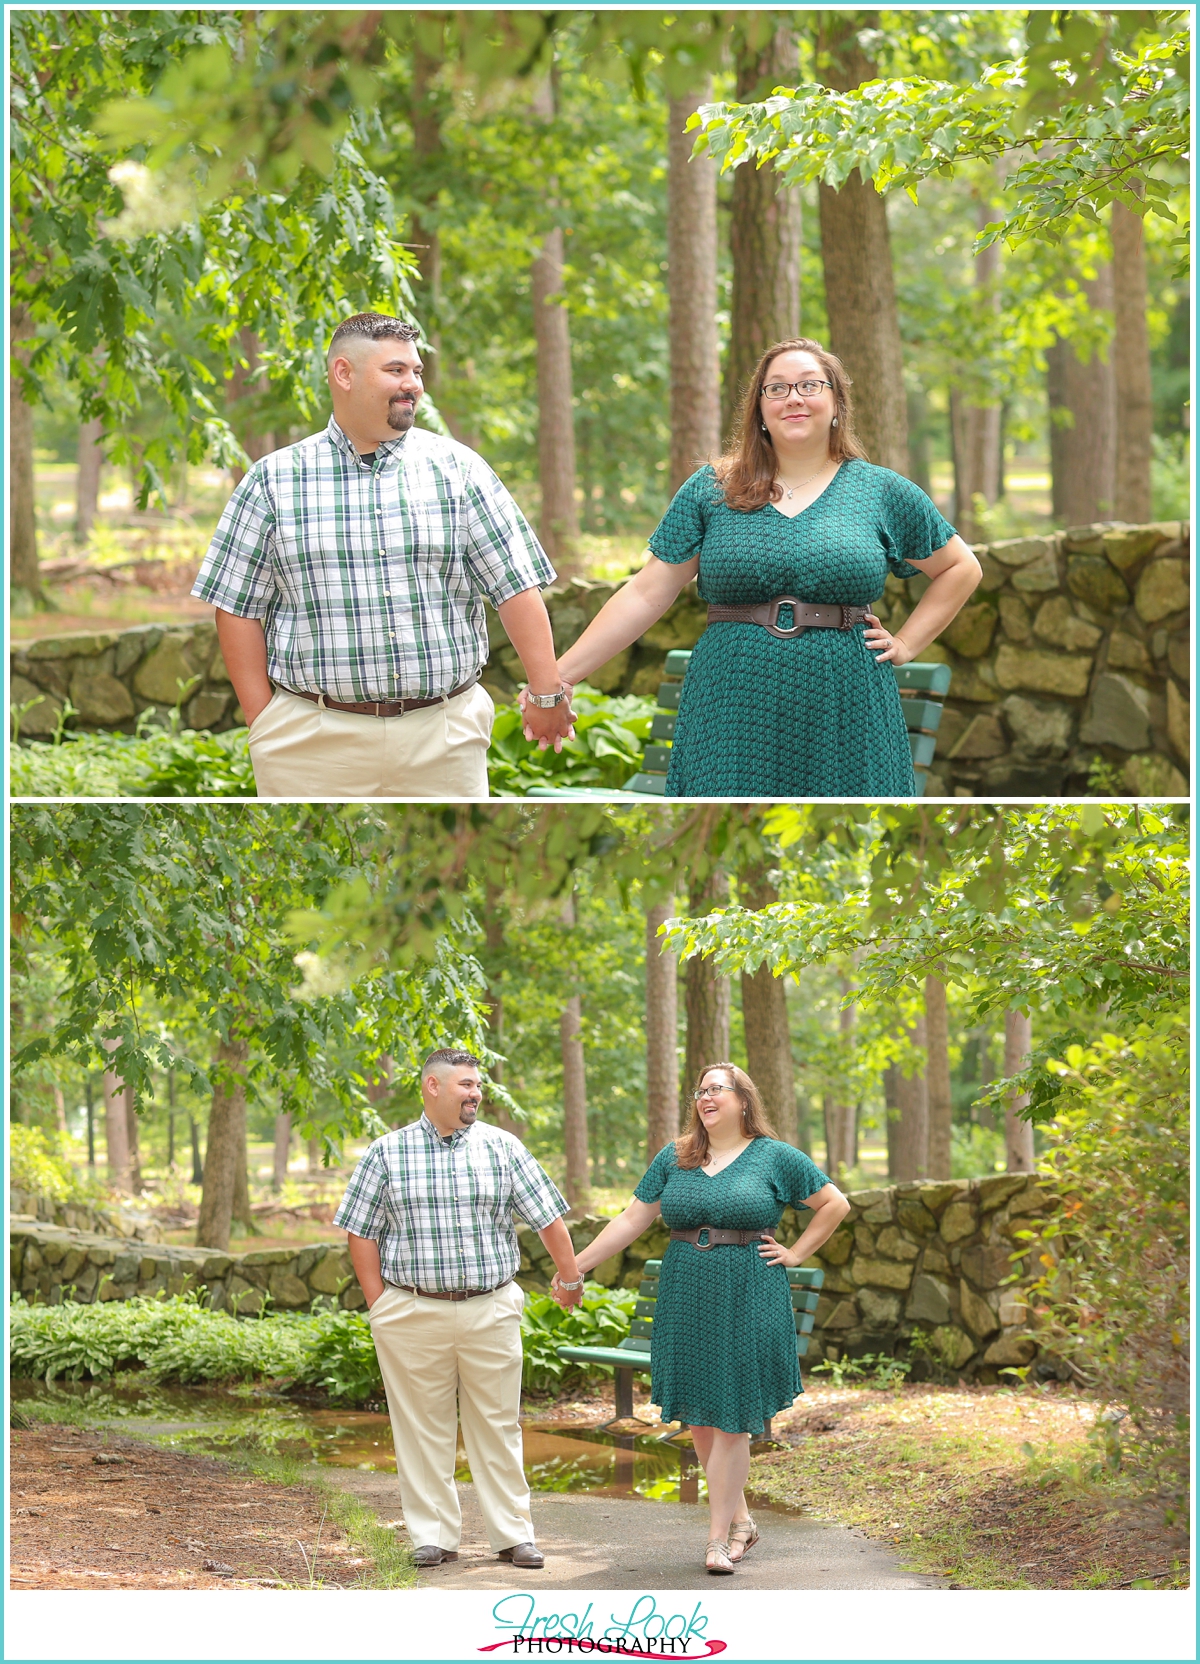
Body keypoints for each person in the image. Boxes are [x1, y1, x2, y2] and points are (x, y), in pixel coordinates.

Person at [541, 338, 981, 797]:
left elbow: (960, 567)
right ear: (760, 410)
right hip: (732, 698)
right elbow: (645, 592)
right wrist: (559, 678)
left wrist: (908, 642)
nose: (793, 396)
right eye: (776, 388)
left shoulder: (881, 491)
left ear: (836, 403)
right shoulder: (713, 488)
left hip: (847, 701)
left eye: (810, 384)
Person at [192, 313, 575, 799]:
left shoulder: (460, 470)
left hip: (443, 738)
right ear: (344, 374)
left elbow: (515, 587)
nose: (412, 384)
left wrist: (545, 692)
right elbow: (236, 606)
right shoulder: (273, 481)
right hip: (310, 745)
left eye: (416, 372)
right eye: (396, 371)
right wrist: (263, 720)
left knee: (447, 872)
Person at [558, 1062, 850, 1575]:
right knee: (700, 1415)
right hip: (686, 1292)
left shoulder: (775, 1157)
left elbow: (834, 1203)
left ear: (743, 1099)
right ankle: (740, 1523)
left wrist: (797, 1254)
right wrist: (573, 1268)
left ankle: (717, 1540)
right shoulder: (675, 1157)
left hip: (748, 1291)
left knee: (732, 1416)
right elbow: (631, 1219)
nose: (705, 1097)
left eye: (717, 1089)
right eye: (700, 1091)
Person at [333, 1048, 584, 1571]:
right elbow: (360, 1231)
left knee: (497, 1425)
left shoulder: (502, 1148)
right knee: (421, 1429)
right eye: (466, 1085)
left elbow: (549, 1218)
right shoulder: (387, 1152)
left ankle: (514, 1536)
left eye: (478, 1086)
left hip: (489, 1308)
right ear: (432, 1087)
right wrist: (379, 1305)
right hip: (411, 1310)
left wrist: (570, 1276)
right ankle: (433, 1536)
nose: (475, 1093)